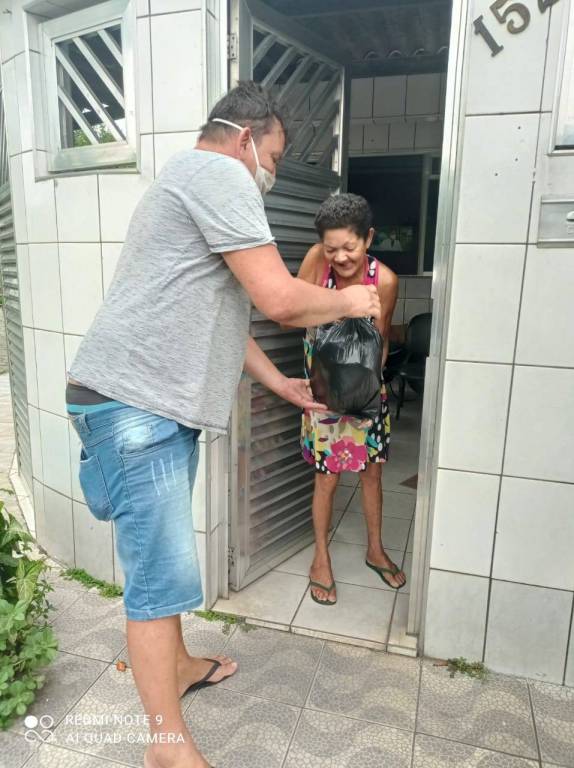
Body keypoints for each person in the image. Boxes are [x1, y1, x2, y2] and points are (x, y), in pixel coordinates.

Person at [65, 82, 380, 768]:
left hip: (141, 404)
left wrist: (280, 383)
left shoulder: (186, 180)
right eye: (275, 157)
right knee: (157, 580)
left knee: (164, 567)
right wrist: (353, 299)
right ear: (245, 139)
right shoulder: (220, 174)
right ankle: (166, 747)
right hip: (135, 407)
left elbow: (221, 315)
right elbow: (278, 300)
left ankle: (177, 667)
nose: (272, 174)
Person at [297, 194, 406, 606]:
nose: (340, 257)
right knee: (327, 478)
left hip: (366, 393)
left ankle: (375, 550)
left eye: (350, 246)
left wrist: (369, 392)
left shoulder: (385, 280)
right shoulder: (316, 261)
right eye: (331, 249)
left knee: (372, 474)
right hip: (324, 392)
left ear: (368, 238)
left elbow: (380, 341)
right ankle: (320, 559)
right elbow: (293, 313)